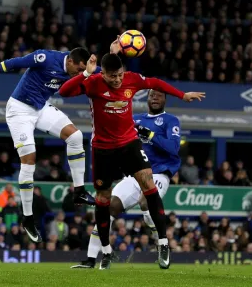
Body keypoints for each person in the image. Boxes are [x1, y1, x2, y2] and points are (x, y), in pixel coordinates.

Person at [59, 53, 205, 269]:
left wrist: (182, 95)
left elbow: (154, 82)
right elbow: (64, 91)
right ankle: (105, 252)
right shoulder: (93, 83)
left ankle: (163, 243)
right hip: (103, 148)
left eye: (120, 75)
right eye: (113, 77)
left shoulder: (132, 79)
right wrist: (87, 73)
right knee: (104, 199)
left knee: (149, 186)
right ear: (103, 73)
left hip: (129, 144)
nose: (118, 80)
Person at [0, 47, 107, 243]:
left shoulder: (81, 68)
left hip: (40, 107)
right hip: (19, 110)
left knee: (75, 137)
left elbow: (105, 71)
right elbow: (13, 63)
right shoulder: (45, 58)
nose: (79, 74)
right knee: (29, 160)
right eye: (78, 70)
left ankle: (79, 192)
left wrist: (114, 54)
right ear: (70, 62)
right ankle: (27, 218)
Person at [71, 89, 181, 269]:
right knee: (109, 206)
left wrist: (151, 135)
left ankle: (161, 243)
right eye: (151, 95)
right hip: (134, 172)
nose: (154, 98)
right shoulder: (134, 119)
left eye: (158, 96)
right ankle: (91, 259)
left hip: (158, 173)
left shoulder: (170, 121)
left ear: (165, 100)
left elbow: (174, 148)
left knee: (146, 201)